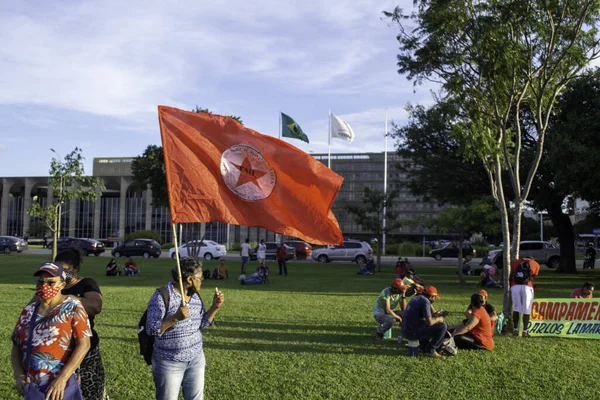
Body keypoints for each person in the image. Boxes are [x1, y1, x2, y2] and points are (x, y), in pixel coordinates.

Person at [146, 257, 224, 400]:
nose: (202, 281)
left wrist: (215, 307)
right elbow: (151, 329)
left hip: (196, 359)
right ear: (189, 280)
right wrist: (174, 317)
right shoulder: (162, 296)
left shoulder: (195, 296)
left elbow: (203, 323)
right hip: (169, 363)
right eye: (200, 278)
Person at [11, 262, 91, 399]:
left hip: (61, 387)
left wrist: (62, 378)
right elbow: (16, 346)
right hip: (34, 388)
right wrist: (19, 375)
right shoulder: (29, 310)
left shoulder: (73, 307)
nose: (44, 286)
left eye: (51, 282)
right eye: (40, 281)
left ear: (62, 285)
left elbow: (84, 344)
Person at [56, 248, 107, 400]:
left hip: (85, 352)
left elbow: (95, 306)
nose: (61, 274)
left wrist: (67, 298)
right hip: (59, 351)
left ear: (75, 269)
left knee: (90, 393)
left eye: (65, 270)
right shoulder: (54, 285)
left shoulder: (86, 284)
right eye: (58, 269)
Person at [402, 286, 447, 358]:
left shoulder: (418, 298)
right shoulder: (425, 301)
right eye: (434, 297)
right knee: (442, 326)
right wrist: (439, 318)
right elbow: (430, 322)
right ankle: (431, 350)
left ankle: (423, 346)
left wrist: (433, 315)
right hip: (413, 331)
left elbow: (421, 316)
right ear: (431, 296)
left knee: (426, 324)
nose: (434, 299)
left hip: (408, 329)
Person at [510, 257, 540, 337]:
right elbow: (533, 275)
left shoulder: (516, 262)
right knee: (527, 309)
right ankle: (525, 331)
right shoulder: (535, 263)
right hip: (527, 286)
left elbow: (512, 273)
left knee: (516, 308)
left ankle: (515, 329)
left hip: (515, 286)